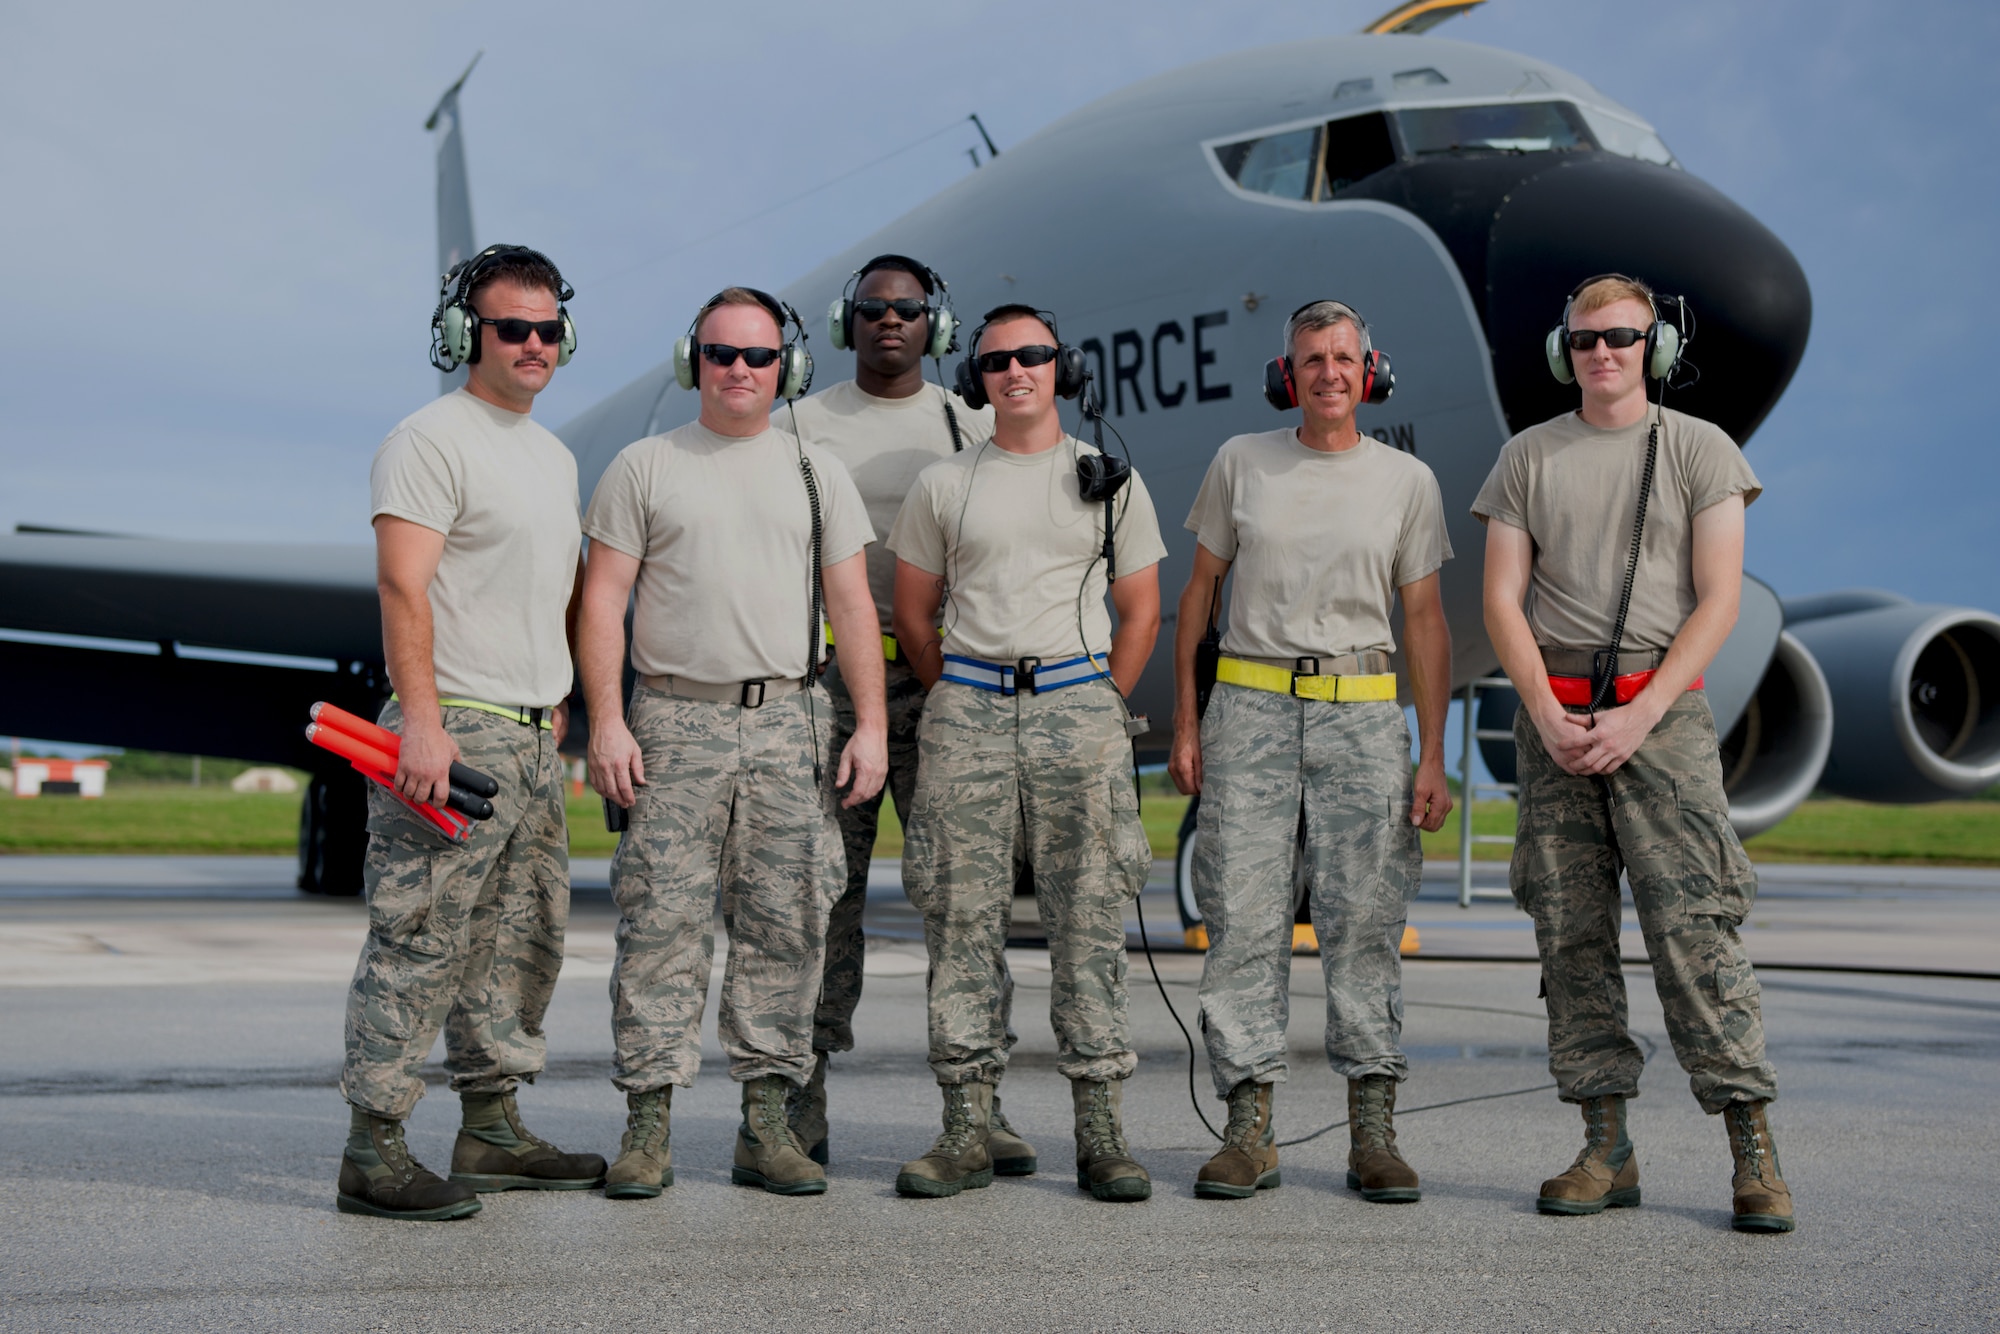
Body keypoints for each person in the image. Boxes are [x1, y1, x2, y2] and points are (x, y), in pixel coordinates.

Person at [1474, 273, 1793, 1232]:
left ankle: (1753, 1153)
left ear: (1653, 347)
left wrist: (1638, 715)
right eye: (1582, 340)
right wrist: (1547, 712)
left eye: (1619, 337)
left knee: (1696, 932)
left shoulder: (1702, 451)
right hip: (1555, 722)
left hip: (1661, 718)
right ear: (1560, 351)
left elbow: (1719, 601)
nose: (1600, 353)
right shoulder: (1526, 457)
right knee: (1569, 940)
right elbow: (1501, 600)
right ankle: (1605, 1147)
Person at [580, 287, 885, 1199]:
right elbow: (602, 600)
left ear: (784, 365)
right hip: (674, 717)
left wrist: (869, 722)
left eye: (757, 355)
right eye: (722, 354)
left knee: (788, 923)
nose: (740, 370)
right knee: (661, 926)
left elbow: (853, 606)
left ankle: (765, 1125)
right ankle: (647, 1127)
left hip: (792, 719)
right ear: (694, 363)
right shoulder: (644, 467)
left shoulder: (814, 471)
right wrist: (604, 719)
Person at [340, 244, 604, 1221]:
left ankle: (490, 1128)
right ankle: (373, 1145)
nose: (533, 345)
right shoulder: (429, 438)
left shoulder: (551, 451)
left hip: (530, 736)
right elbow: (403, 585)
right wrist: (422, 720)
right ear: (465, 336)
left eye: (548, 330)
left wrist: (559, 699)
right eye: (511, 329)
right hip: (453, 730)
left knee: (519, 940)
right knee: (418, 937)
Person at [1169, 299, 1454, 1202]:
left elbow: (1425, 623)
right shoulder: (1240, 463)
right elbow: (1198, 600)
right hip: (1249, 702)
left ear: (1369, 368)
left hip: (1364, 710)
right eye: (1311, 358)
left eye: (1342, 356)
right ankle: (1249, 1129)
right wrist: (1187, 721)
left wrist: (1433, 751)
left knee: (1364, 922)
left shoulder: (1407, 480)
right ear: (1287, 374)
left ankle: (1374, 1131)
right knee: (1244, 919)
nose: (1328, 371)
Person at [887, 305, 1165, 1202]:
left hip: (1076, 710)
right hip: (969, 710)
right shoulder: (944, 484)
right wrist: (962, 692)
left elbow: (1142, 609)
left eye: (1033, 356)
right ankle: (967, 1129)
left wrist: (1098, 698)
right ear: (977, 378)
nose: (1016, 371)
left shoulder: (1108, 480)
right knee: (960, 924)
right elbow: (914, 615)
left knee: (1089, 928)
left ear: (1061, 368)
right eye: (997, 359)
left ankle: (1101, 1134)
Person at [780, 255, 1035, 1175]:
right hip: (827, 692)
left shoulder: (971, 426)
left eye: (911, 309)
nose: (892, 320)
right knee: (818, 899)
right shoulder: (795, 427)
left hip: (944, 688)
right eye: (875, 309)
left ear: (941, 327)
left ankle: (980, 1103)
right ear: (848, 324)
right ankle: (794, 1105)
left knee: (964, 903)